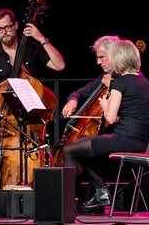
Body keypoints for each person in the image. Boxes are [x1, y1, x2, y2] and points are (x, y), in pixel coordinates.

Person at [0, 8, 65, 208]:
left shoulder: (32, 50)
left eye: (7, 27)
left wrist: (41, 38)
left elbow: (59, 65)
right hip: (0, 115)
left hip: (28, 116)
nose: (4, 32)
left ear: (16, 26)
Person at [64, 38, 149, 214]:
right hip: (140, 143)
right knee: (83, 148)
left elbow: (110, 118)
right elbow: (129, 116)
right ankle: (101, 191)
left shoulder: (119, 82)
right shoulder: (144, 83)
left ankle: (67, 205)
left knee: (69, 150)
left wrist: (104, 105)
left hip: (123, 139)